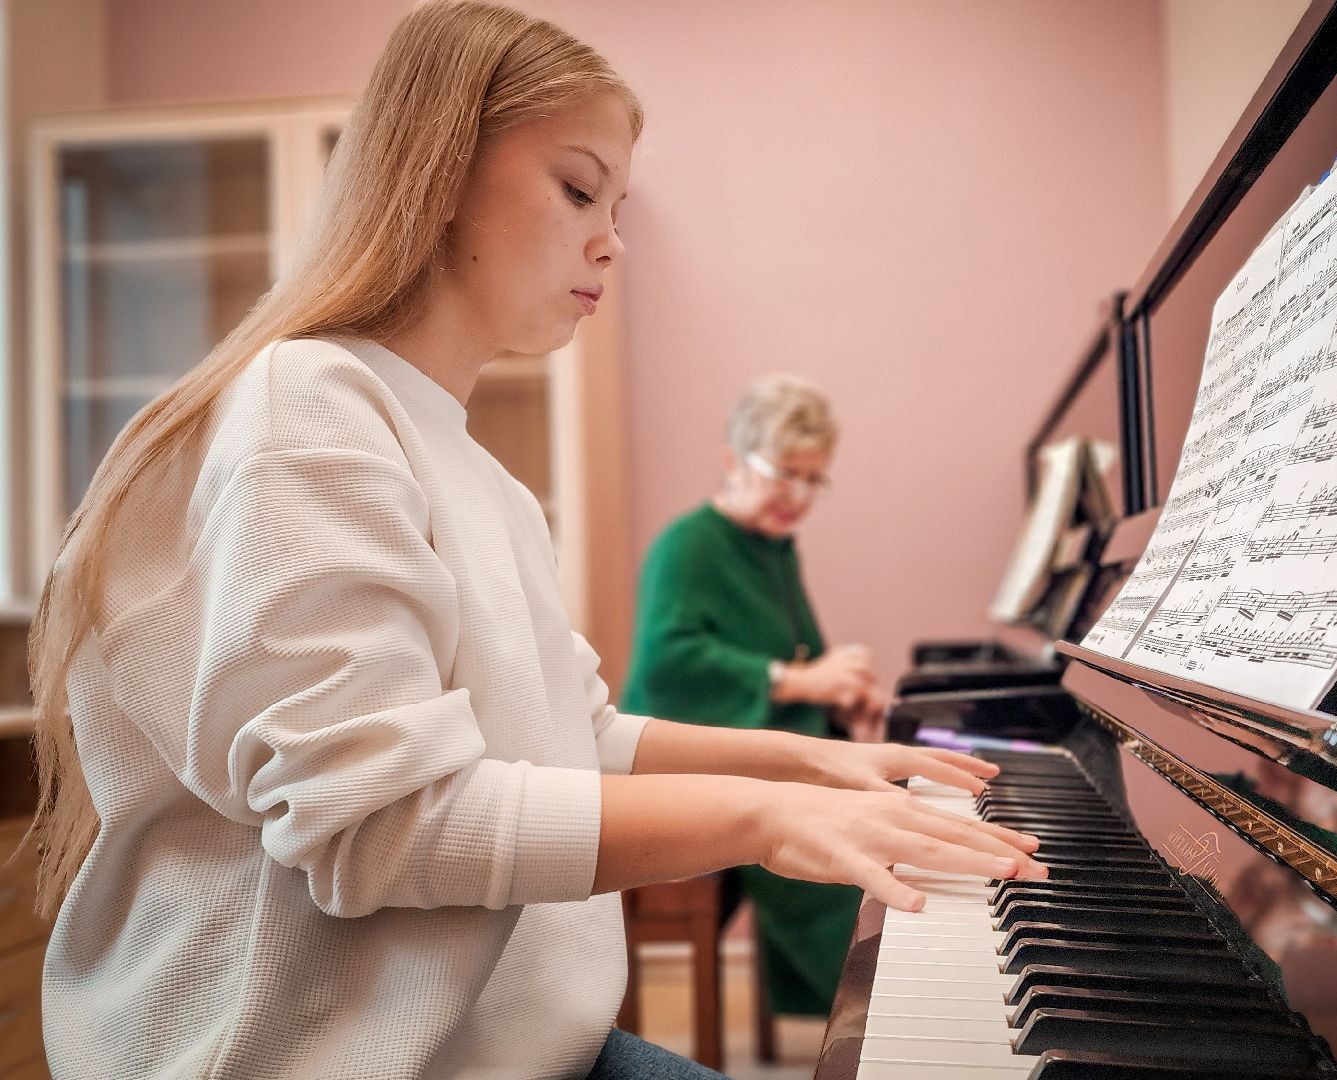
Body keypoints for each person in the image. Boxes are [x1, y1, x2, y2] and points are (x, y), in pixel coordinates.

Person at [25, 5, 1046, 1078]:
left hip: (515, 1045)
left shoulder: (489, 482)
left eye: (617, 203)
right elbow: (380, 827)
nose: (612, 238)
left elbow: (578, 732)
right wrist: (766, 818)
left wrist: (818, 764)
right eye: (576, 189)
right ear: (440, 170)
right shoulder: (310, 407)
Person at [624, 376, 888, 1017]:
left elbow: (796, 659)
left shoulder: (772, 549)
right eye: (785, 473)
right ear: (733, 462)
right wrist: (803, 682)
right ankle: (877, 1014)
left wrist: (839, 695)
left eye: (814, 479)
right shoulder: (689, 545)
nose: (799, 495)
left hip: (755, 753)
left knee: (885, 812)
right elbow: (668, 662)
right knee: (848, 851)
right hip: (685, 767)